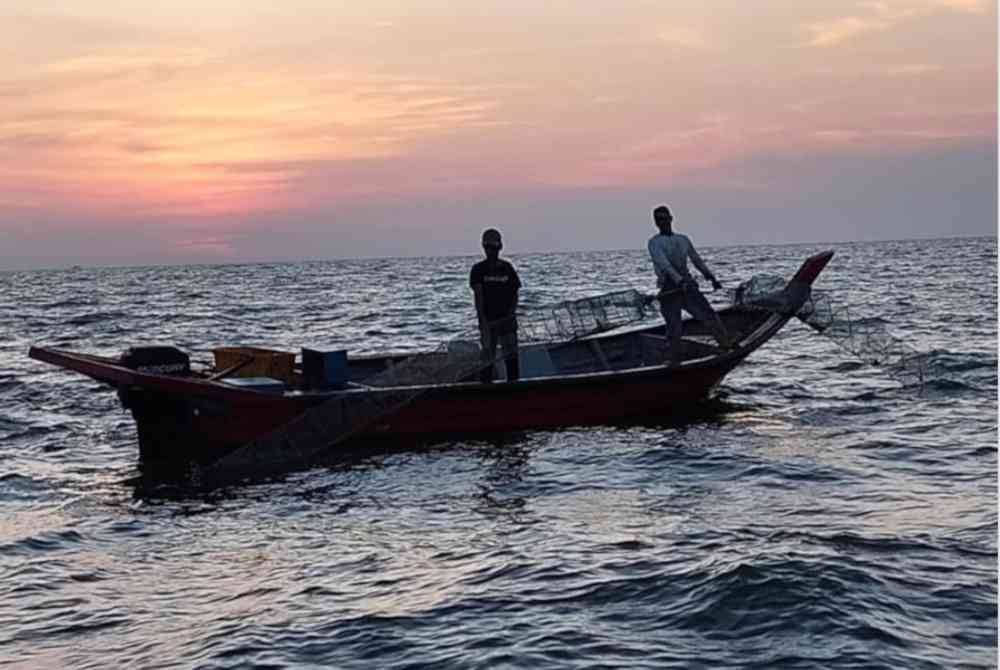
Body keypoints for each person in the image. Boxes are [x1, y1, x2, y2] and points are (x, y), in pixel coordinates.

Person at [647, 205, 733, 366]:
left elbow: (696, 260)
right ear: (655, 223)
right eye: (659, 220)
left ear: (671, 219)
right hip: (669, 288)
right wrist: (679, 281)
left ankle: (726, 345)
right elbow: (664, 265)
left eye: (665, 218)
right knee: (674, 327)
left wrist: (710, 277)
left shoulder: (683, 239)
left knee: (709, 316)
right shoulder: (654, 243)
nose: (662, 222)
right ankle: (674, 360)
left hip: (688, 286)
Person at [470, 228, 521, 382]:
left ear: (500, 247)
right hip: (488, 321)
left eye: (494, 247)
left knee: (511, 356)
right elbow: (478, 297)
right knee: (487, 358)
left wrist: (511, 314)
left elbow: (515, 293)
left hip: (507, 321)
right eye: (488, 247)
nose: (491, 251)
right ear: (483, 248)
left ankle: (514, 386)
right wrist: (483, 323)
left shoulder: (507, 268)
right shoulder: (478, 270)